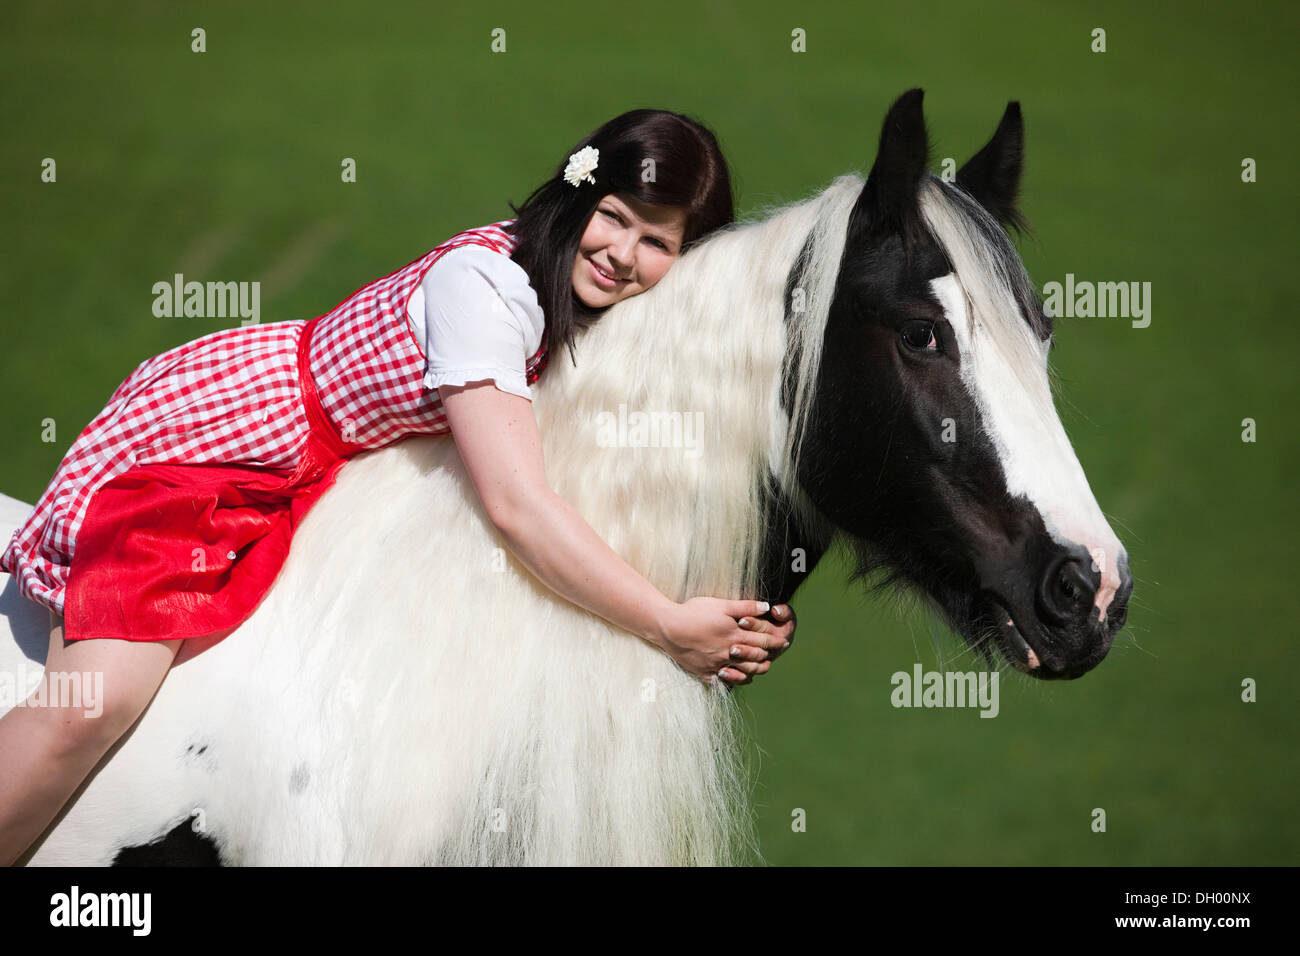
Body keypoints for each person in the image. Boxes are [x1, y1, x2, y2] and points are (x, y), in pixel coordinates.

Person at [0, 108, 797, 865]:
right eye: (615, 216)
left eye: (657, 241)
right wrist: (664, 623)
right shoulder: (488, 295)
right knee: (93, 703)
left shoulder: (598, 308)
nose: (624, 253)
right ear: (579, 191)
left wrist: (737, 608)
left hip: (307, 464)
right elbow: (518, 506)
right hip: (224, 441)